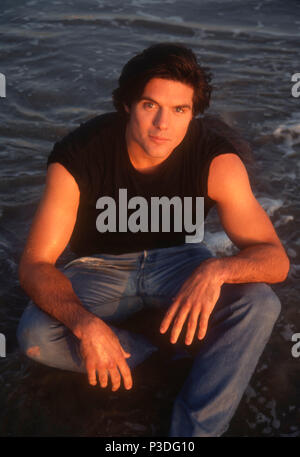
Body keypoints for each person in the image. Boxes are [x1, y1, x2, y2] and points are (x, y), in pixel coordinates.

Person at [17, 43, 289, 437]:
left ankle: (194, 434)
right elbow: (36, 264)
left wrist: (216, 269)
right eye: (150, 106)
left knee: (260, 302)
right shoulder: (78, 156)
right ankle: (150, 353)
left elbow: (275, 260)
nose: (164, 124)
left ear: (193, 112)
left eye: (180, 110)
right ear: (127, 105)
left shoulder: (217, 161)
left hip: (181, 262)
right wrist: (88, 326)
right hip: (99, 268)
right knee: (36, 337)